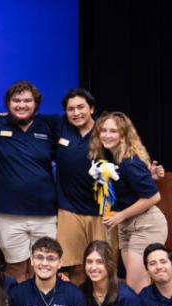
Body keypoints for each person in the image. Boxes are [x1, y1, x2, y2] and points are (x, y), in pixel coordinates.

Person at [0, 81, 60, 282]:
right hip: (8, 214)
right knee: (16, 267)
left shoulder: (49, 126)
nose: (21, 105)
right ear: (8, 103)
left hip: (45, 213)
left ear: (36, 103)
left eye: (27, 100)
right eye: (16, 100)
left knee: (43, 266)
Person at [88, 112, 168, 292]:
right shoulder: (110, 159)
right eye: (103, 130)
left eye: (113, 131)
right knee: (137, 285)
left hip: (145, 225)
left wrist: (119, 216)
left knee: (136, 286)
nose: (107, 135)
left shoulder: (129, 162)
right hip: (126, 227)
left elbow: (154, 197)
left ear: (123, 135)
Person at [53, 89, 106, 285]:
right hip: (69, 210)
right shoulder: (60, 126)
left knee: (102, 265)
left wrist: (149, 167)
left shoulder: (105, 130)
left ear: (92, 108)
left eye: (81, 107)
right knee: (74, 267)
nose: (76, 113)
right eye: (70, 109)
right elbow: (26, 117)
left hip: (102, 212)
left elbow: (128, 153)